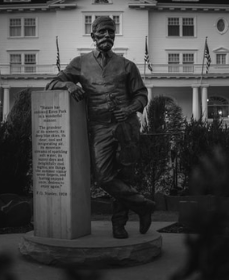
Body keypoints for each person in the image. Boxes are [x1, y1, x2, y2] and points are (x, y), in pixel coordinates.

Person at [46, 16, 155, 239]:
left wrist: (129, 108)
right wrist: (67, 84)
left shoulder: (127, 65)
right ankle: (143, 205)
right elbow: (51, 83)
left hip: (126, 128)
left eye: (111, 32)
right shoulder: (80, 62)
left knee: (125, 177)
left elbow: (142, 95)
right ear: (93, 35)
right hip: (99, 128)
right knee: (104, 177)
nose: (107, 36)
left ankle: (119, 224)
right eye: (103, 32)